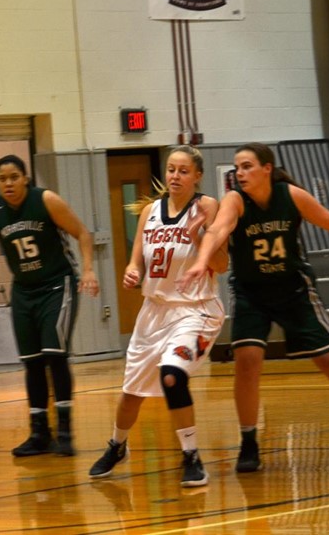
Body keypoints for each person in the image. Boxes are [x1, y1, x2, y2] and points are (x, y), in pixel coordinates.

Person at [179, 142, 329, 473]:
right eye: (237, 168)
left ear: (267, 169)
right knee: (247, 359)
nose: (239, 173)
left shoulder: (291, 196)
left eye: (247, 166)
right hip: (251, 293)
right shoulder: (234, 201)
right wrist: (201, 261)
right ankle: (249, 442)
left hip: (293, 289)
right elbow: (217, 230)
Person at [0, 155, 99, 457]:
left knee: (55, 355)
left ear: (25, 178)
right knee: (33, 361)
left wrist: (89, 270)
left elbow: (82, 233)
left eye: (14, 177)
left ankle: (64, 430)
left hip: (57, 285)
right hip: (24, 291)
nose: (9, 183)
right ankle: (39, 433)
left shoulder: (47, 201)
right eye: (3, 179)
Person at [88, 146, 227, 487]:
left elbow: (222, 264)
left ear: (197, 176)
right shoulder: (150, 210)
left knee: (172, 375)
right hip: (153, 312)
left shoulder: (206, 207)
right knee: (130, 393)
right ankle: (117, 446)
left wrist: (198, 234)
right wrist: (132, 272)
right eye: (170, 170)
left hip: (195, 309)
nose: (175, 176)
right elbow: (137, 260)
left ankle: (191, 455)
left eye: (183, 171)